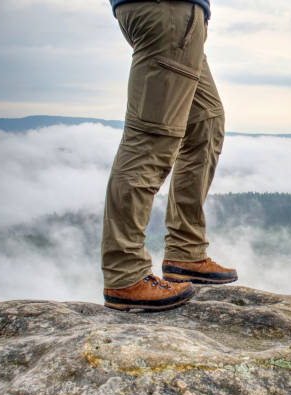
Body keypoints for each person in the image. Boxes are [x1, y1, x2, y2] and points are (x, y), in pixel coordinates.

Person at [101, 0, 237, 311]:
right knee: (150, 140)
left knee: (206, 122)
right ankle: (124, 273)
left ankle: (186, 252)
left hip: (182, 18)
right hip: (166, 12)